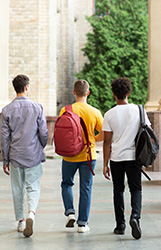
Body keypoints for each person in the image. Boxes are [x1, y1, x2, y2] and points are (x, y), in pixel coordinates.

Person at [102, 77, 151, 240]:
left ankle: (120, 225)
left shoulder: (109, 114)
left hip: (116, 158)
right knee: (136, 189)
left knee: (118, 190)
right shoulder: (139, 110)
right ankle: (135, 217)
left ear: (113, 94)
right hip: (134, 157)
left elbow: (107, 141)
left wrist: (105, 164)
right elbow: (147, 133)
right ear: (128, 93)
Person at [1, 74, 48, 237]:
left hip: (15, 154)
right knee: (33, 186)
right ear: (27, 87)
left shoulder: (7, 110)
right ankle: (31, 214)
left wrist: (5, 159)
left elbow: (4, 137)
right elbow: (43, 132)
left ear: (15, 89)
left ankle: (21, 221)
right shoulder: (37, 107)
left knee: (17, 187)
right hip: (32, 154)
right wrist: (41, 146)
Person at [59, 80, 104, 233]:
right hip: (88, 156)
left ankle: (70, 213)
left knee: (66, 184)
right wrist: (92, 139)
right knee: (86, 188)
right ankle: (82, 224)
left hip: (69, 155)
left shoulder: (66, 109)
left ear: (74, 92)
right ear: (88, 93)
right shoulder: (95, 112)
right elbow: (104, 133)